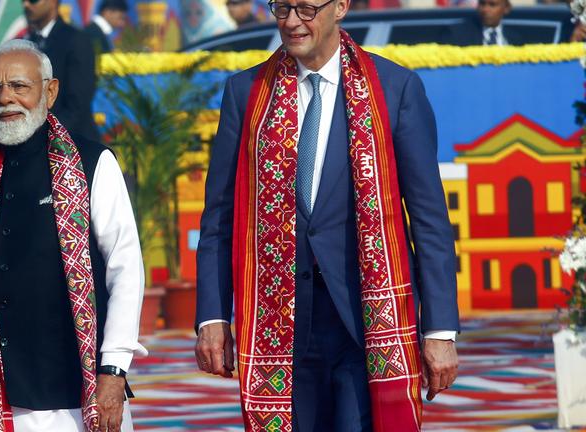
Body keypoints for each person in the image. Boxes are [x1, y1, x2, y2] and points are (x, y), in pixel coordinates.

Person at [194, 0, 460, 430]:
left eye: (305, 8)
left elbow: (429, 219)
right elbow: (219, 219)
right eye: (282, 8)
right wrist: (213, 316)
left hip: (367, 321)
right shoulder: (247, 94)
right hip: (277, 322)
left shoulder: (394, 89)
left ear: (340, 7)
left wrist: (440, 330)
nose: (292, 22)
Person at [0, 39, 146, 432]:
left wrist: (114, 367)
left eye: (19, 86)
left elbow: (125, 269)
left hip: (65, 380)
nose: (5, 98)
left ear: (50, 91)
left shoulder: (92, 163)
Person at [23, 0, 99, 141]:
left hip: (73, 142)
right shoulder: (26, 42)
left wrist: (46, 136)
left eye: (33, 0)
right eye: (23, 0)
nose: (26, 5)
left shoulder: (76, 40)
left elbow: (78, 103)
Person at [446, 0, 523, 46]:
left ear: (506, 8)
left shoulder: (516, 38)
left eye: (492, 5)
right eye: (482, 3)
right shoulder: (457, 34)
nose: (485, 10)